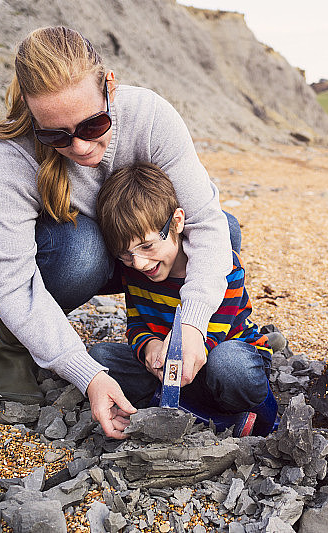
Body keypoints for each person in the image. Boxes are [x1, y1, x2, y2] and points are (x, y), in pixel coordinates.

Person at [0, 26, 239, 439]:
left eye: (92, 125)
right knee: (82, 253)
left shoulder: (150, 117)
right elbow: (12, 281)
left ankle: (169, 336)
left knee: (226, 230)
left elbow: (205, 223)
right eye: (55, 135)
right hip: (6, 258)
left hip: (116, 246)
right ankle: (16, 340)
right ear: (33, 118)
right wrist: (88, 375)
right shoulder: (12, 150)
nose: (81, 148)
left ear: (109, 86)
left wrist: (192, 326)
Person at [93, 162, 279, 436]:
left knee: (229, 366)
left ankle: (264, 416)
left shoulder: (222, 266)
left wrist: (179, 358)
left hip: (220, 356)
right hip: (169, 370)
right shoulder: (134, 270)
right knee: (101, 359)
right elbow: (137, 325)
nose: (140, 263)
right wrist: (150, 348)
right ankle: (212, 419)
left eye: (147, 246)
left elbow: (214, 335)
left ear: (177, 222)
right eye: (125, 254)